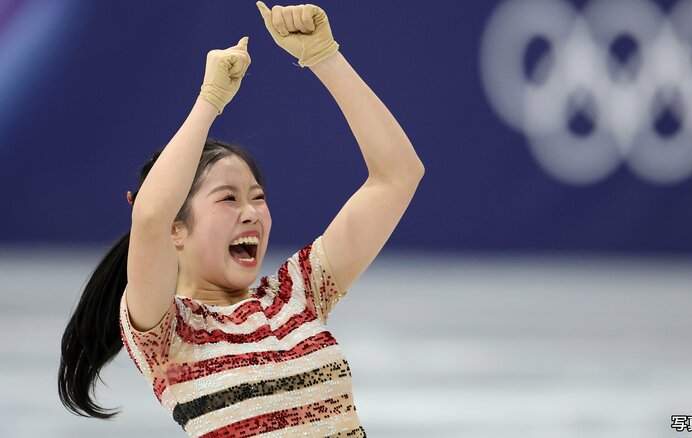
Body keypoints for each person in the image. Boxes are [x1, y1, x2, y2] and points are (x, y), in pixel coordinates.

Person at [57, 3, 424, 436]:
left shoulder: (297, 295)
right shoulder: (168, 336)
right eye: (228, 198)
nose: (251, 212)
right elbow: (151, 215)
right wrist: (208, 101)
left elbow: (398, 175)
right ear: (178, 229)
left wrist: (323, 55)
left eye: (258, 197)